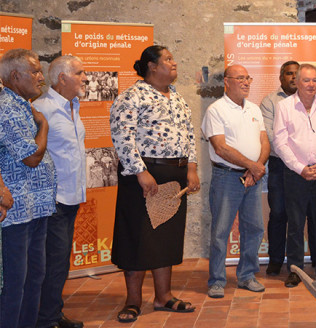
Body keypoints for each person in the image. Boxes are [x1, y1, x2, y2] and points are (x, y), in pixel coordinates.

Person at [109, 45, 200, 323]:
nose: (174, 63)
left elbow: (190, 135)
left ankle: (164, 297)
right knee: (137, 238)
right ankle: (133, 301)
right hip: (144, 177)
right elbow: (122, 136)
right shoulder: (132, 97)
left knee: (166, 239)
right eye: (168, 59)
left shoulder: (178, 98)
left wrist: (192, 168)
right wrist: (140, 172)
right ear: (152, 66)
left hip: (175, 176)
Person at [0, 48, 56, 328]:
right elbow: (32, 157)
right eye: (34, 71)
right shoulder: (7, 109)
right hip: (16, 212)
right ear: (14, 76)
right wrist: (43, 125)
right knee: (15, 283)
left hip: (37, 207)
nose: (40, 77)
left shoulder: (23, 106)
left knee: (35, 276)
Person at [202, 65, 268, 298]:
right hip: (227, 178)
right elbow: (220, 148)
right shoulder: (215, 110)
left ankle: (247, 275)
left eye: (248, 78)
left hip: (253, 178)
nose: (246, 82)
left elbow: (264, 141)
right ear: (226, 82)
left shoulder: (254, 108)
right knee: (221, 230)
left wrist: (256, 168)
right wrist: (252, 166)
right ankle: (217, 280)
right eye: (240, 78)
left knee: (254, 228)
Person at [273, 64, 316, 287]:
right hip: (295, 175)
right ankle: (295, 270)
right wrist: (300, 168)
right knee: (295, 224)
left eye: (314, 80)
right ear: (297, 82)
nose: (311, 85)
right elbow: (280, 142)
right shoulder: (284, 107)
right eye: (306, 80)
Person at [33, 55, 88, 328]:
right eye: (79, 73)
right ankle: (46, 320)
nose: (85, 78)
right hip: (53, 199)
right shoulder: (42, 109)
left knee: (60, 260)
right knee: (53, 261)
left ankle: (52, 314)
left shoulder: (73, 106)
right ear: (62, 78)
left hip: (71, 196)